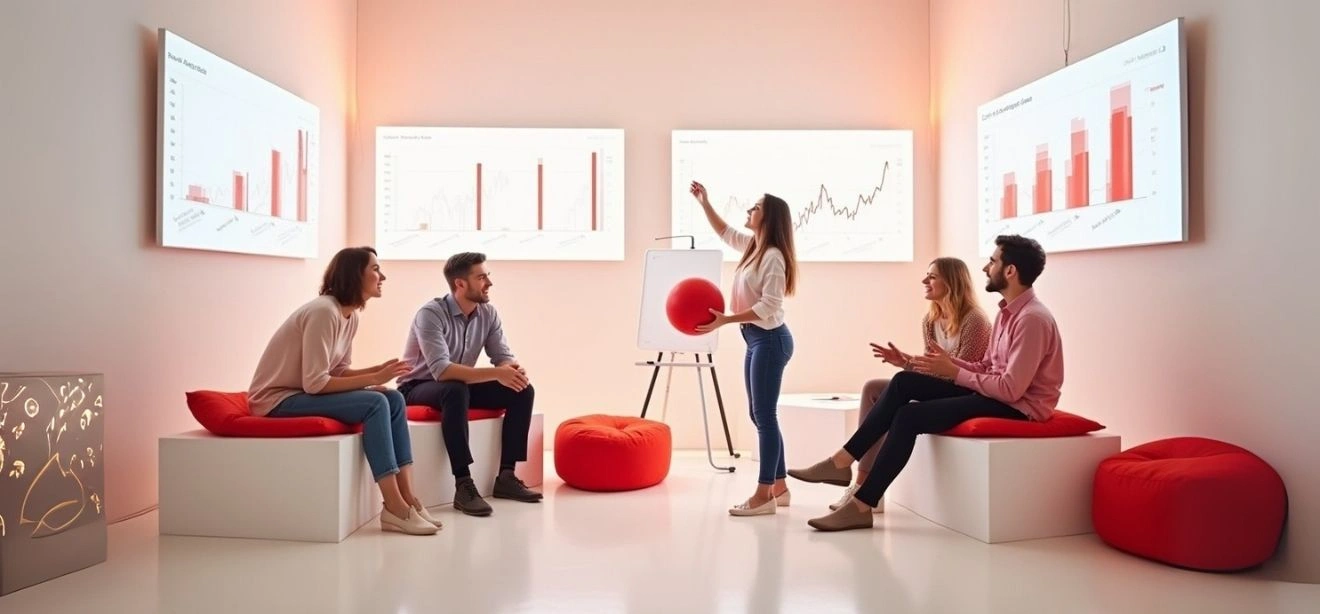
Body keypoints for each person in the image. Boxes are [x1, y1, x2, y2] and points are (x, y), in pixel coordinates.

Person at [789, 234, 1062, 531]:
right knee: (903, 381)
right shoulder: (1007, 313)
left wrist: (955, 372)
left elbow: (1012, 389)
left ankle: (861, 502)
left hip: (1019, 407)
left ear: (1010, 271)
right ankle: (842, 462)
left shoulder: (1031, 319)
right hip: (998, 394)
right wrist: (949, 363)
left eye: (993, 261)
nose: (986, 268)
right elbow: (987, 367)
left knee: (909, 416)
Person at [248, 246, 439, 536]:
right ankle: (394, 507)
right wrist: (374, 376)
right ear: (354, 275)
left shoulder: (349, 317)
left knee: (394, 397)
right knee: (376, 403)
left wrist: (376, 372)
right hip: (277, 399)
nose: (382, 276)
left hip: (302, 393)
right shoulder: (324, 312)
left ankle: (409, 499)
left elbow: (335, 372)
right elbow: (315, 382)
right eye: (375, 269)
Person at [831, 257, 992, 514]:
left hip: (965, 391)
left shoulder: (975, 320)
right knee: (873, 388)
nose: (924, 281)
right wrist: (905, 361)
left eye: (932, 276)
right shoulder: (930, 320)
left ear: (951, 282)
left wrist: (909, 366)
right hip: (943, 386)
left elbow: (964, 374)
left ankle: (850, 469)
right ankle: (860, 483)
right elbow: (933, 370)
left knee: (901, 386)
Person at [397, 251, 541, 517]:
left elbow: (502, 357)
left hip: (458, 385)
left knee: (522, 390)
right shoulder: (430, 314)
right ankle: (463, 484)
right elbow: (441, 371)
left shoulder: (488, 313)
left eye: (488, 276)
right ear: (460, 284)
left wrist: (512, 370)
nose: (489, 282)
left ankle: (507, 476)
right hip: (417, 387)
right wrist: (497, 373)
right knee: (454, 388)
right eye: (482, 277)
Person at [688, 180, 799, 517]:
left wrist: (727, 319)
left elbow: (769, 306)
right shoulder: (754, 246)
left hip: (770, 339)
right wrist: (704, 202)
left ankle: (764, 494)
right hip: (755, 339)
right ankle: (779, 485)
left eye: (756, 207)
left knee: (764, 416)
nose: (749, 211)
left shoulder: (774, 258)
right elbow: (724, 232)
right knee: (758, 413)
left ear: (770, 218)